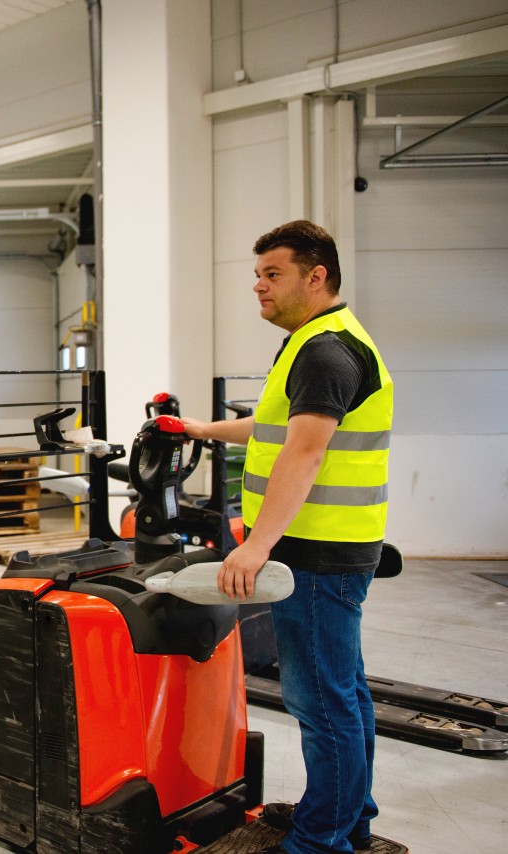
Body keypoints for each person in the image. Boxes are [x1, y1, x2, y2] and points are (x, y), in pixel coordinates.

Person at [182, 220, 392, 854]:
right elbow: (270, 429)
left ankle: (321, 839)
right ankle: (346, 812)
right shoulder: (315, 342)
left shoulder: (326, 351)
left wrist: (255, 546)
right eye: (257, 275)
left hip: (316, 555)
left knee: (321, 701)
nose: (259, 287)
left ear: (316, 275)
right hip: (328, 548)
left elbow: (302, 455)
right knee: (344, 690)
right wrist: (196, 428)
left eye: (272, 274)